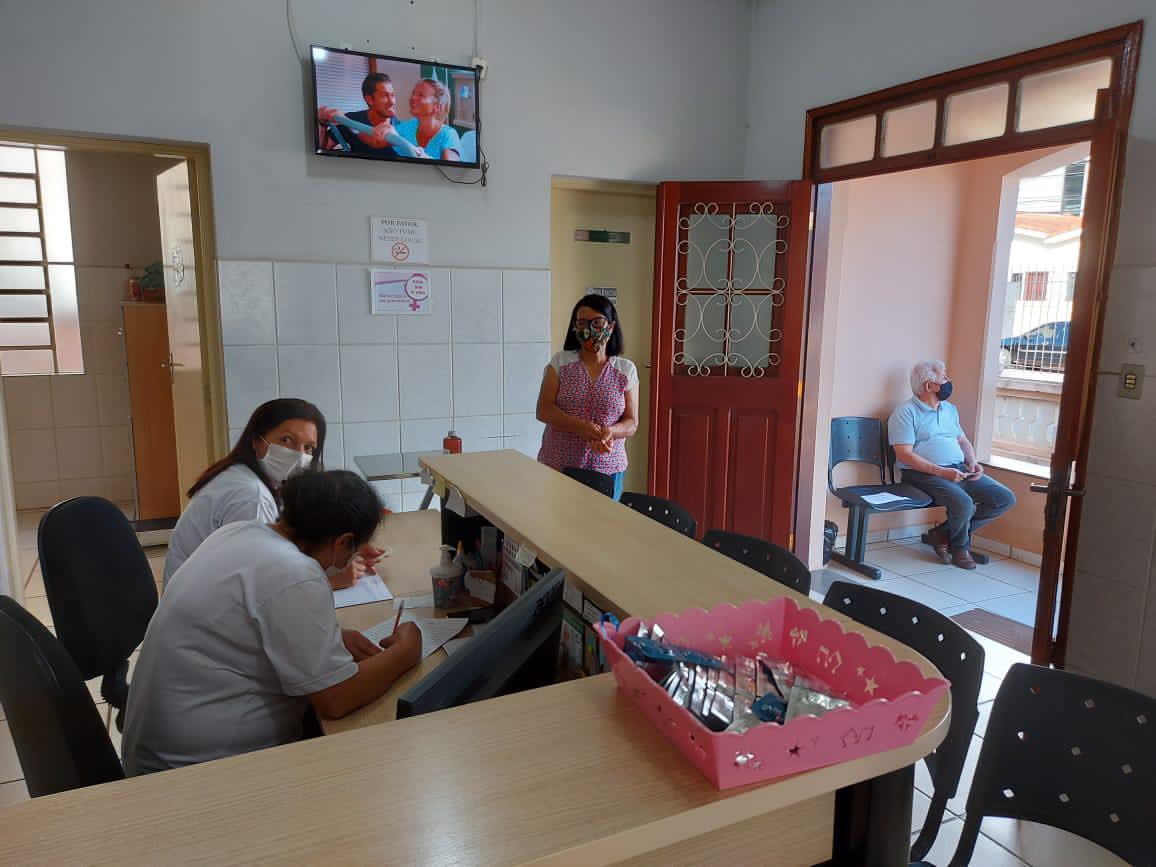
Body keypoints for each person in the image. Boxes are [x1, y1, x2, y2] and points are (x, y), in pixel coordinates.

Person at [123, 470, 422, 775]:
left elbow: (249, 621)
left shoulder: (240, 532)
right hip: (199, 772)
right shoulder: (296, 574)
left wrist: (330, 636)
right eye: (355, 549)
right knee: (376, 762)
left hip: (161, 752)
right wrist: (406, 653)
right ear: (343, 541)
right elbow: (336, 699)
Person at [162, 398, 381, 589]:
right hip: (208, 607)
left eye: (308, 448)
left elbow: (286, 543)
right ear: (257, 441)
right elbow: (262, 585)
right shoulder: (251, 497)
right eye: (286, 440)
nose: (299, 455)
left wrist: (346, 548)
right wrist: (334, 581)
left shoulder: (246, 475)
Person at [888, 360, 1016, 570]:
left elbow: (962, 440)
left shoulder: (949, 410)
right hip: (922, 474)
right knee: (964, 503)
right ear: (929, 385)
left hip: (959, 469)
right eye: (944, 377)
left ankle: (943, 534)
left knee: (1004, 498)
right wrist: (941, 472)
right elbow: (904, 454)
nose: (948, 381)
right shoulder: (905, 412)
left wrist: (972, 462)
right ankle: (959, 548)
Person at [536, 293, 639, 500]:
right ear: (574, 328)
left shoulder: (625, 370)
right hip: (559, 464)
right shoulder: (561, 363)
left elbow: (631, 422)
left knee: (604, 520)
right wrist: (580, 427)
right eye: (582, 323)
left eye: (597, 322)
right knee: (557, 518)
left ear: (611, 326)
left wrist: (610, 432)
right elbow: (544, 410)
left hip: (608, 468)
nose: (589, 329)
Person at [317, 72, 400, 155]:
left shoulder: (401, 128)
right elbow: (324, 147)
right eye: (384, 96)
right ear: (369, 99)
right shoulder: (351, 119)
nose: (392, 102)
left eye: (392, 95)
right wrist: (322, 124)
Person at [391, 78, 462, 161]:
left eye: (421, 95)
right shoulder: (405, 128)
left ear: (437, 107)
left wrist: (420, 155)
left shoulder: (448, 135)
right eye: (413, 93)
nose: (413, 98)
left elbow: (450, 167)